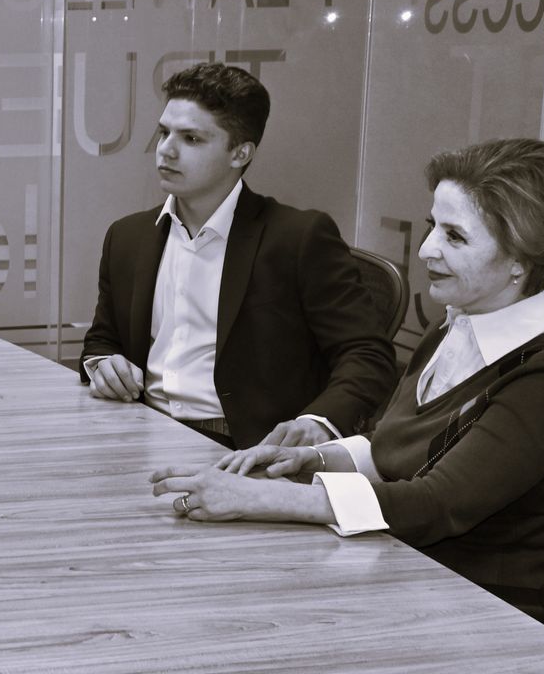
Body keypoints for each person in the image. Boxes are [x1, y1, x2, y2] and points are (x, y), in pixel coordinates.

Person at [150, 137, 544, 591]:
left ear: (522, 260)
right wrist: (309, 459)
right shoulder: (457, 323)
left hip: (476, 602)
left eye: (455, 236)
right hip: (397, 565)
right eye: (433, 226)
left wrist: (266, 497)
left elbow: (436, 503)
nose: (426, 250)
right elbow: (395, 447)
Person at [80, 62, 395, 449]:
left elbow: (367, 354)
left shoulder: (298, 238)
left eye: (191, 139)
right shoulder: (127, 237)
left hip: (242, 447)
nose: (166, 150)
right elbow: (103, 339)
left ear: (240, 153)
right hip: (138, 429)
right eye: (164, 132)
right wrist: (102, 363)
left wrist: (318, 423)